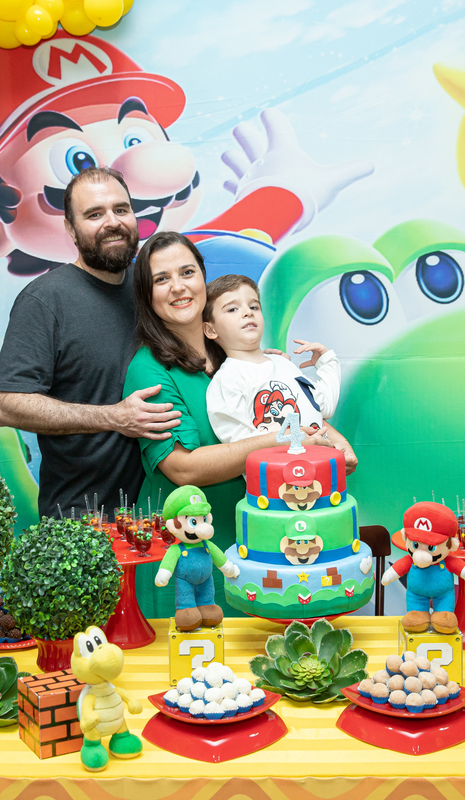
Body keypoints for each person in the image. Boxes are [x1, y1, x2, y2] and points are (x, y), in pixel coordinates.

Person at [123, 230, 357, 619]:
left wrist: (334, 445)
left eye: (187, 272)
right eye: (162, 279)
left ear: (203, 278)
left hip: (260, 547)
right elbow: (183, 468)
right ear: (147, 294)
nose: (178, 287)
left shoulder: (240, 353)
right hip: (188, 559)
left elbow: (295, 407)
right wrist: (282, 438)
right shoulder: (149, 370)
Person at [0, 166, 181, 519]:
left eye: (121, 209)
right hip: (82, 521)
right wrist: (113, 417)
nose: (113, 222)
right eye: (94, 214)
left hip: (161, 517)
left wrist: (250, 360)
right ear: (70, 228)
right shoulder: (45, 300)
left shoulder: (151, 287)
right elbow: (6, 405)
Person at [202, 274, 340, 443]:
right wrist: (290, 439)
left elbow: (324, 406)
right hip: (281, 461)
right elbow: (238, 442)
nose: (248, 312)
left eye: (254, 307)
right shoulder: (227, 379)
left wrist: (327, 361)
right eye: (232, 309)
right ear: (211, 330)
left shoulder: (284, 364)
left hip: (322, 458)